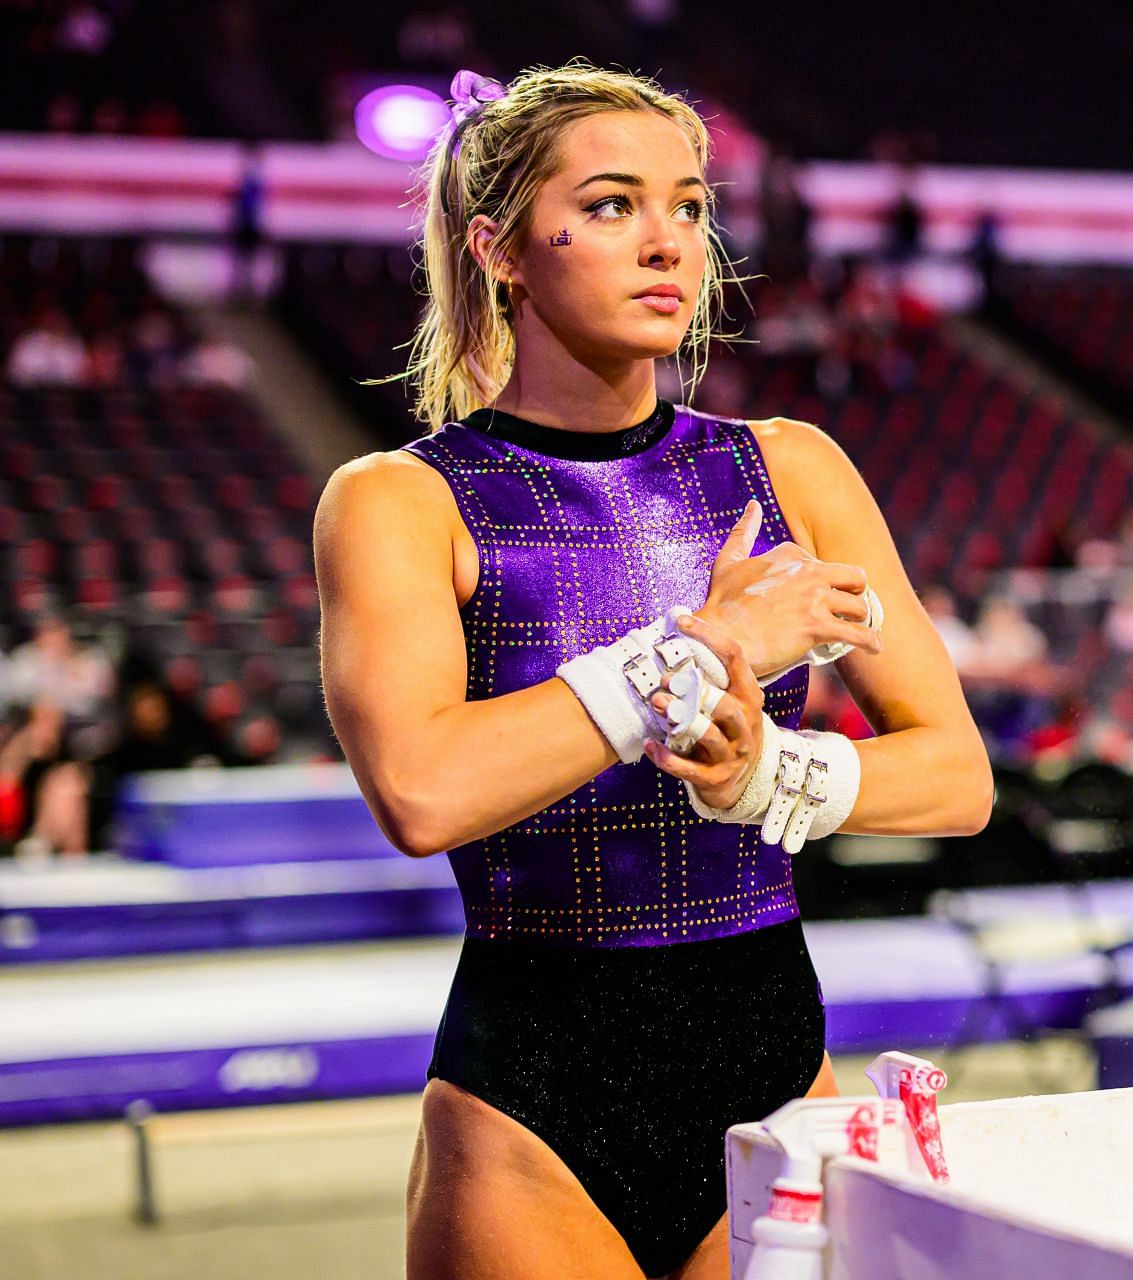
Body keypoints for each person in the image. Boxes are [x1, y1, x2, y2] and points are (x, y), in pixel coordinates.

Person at [315, 63, 991, 1280]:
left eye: (689, 206)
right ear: (502, 248)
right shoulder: (397, 501)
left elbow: (955, 777)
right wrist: (702, 651)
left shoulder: (792, 468)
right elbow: (421, 791)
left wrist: (762, 776)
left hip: (774, 1070)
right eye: (615, 204)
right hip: (532, 1101)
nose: (668, 243)